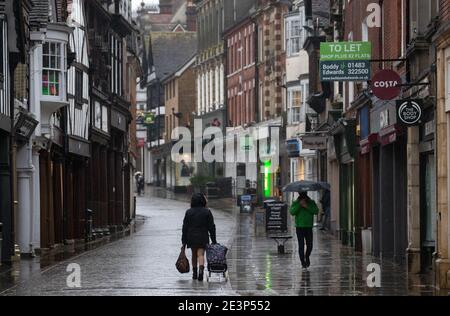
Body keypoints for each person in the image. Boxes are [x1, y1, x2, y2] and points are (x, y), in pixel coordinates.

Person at [182, 193, 217, 281]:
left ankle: (194, 273)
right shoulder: (207, 211)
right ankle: (201, 270)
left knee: (194, 254)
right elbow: (211, 227)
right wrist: (214, 240)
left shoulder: (189, 212)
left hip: (191, 236)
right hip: (203, 236)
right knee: (200, 254)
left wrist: (184, 240)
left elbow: (185, 227)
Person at [289, 192, 319, 269]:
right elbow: (292, 212)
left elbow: (316, 211)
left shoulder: (311, 202)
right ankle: (303, 262)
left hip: (308, 227)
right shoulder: (296, 203)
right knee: (301, 245)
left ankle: (307, 256)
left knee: (310, 245)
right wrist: (299, 205)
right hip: (299, 227)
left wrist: (306, 206)